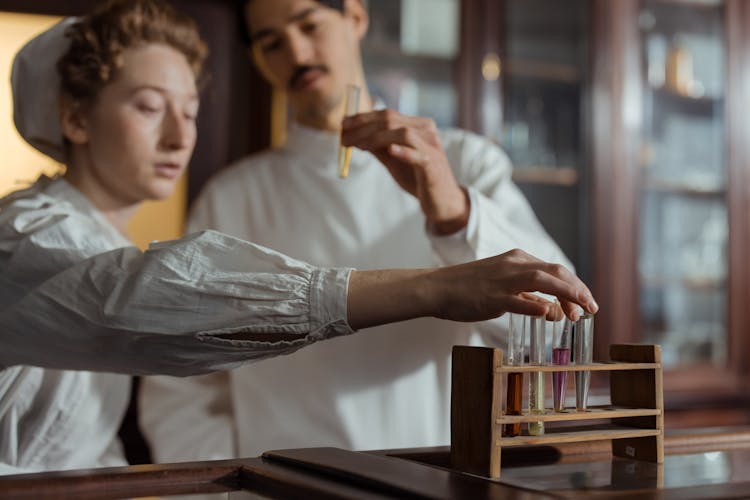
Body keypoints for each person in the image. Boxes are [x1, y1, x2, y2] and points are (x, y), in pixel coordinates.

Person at [0, 0, 596, 475]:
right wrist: (229, 483)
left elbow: (561, 322)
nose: (182, 137)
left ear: (356, 16)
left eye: (309, 22)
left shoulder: (467, 162)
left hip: (437, 474)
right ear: (74, 120)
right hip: (279, 483)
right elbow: (154, 332)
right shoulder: (228, 194)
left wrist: (452, 214)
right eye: (269, 40)